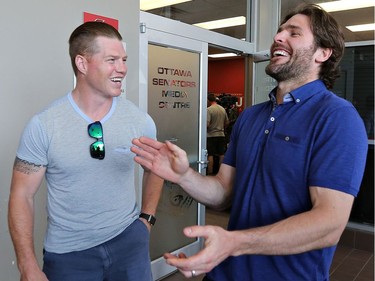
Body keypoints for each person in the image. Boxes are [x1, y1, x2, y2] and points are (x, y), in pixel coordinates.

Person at [131, 4, 368, 281]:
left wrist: (235, 242)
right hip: (224, 273)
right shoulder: (252, 116)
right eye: (280, 31)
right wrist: (183, 175)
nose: (278, 38)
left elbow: (329, 224)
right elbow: (222, 193)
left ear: (323, 53)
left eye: (293, 33)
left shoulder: (337, 117)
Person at [8, 21, 163, 281]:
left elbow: (155, 169)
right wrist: (27, 266)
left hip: (129, 244)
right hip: (69, 255)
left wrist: (146, 220)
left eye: (124, 60)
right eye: (111, 60)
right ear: (82, 64)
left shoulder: (140, 121)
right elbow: (21, 195)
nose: (122, 69)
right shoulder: (44, 125)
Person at [206, 93, 229, 175]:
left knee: (210, 154)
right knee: (221, 154)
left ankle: (210, 173)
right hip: (221, 135)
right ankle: (220, 173)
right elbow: (227, 122)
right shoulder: (222, 109)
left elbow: (207, 124)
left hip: (211, 136)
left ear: (208, 100)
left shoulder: (209, 110)